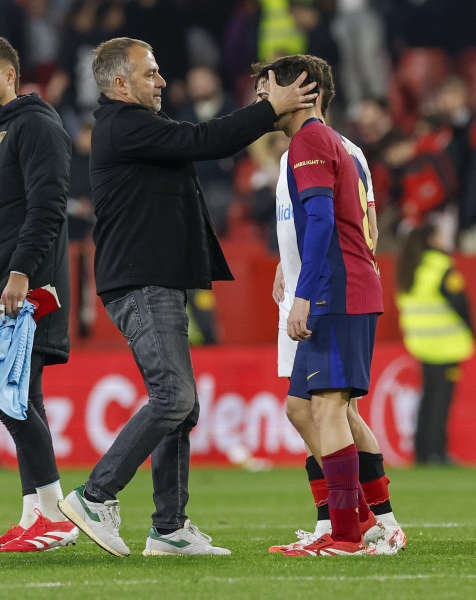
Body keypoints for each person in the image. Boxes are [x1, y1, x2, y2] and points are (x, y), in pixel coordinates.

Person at [57, 36, 317, 557]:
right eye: (150, 72)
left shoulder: (132, 127)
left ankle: (169, 528)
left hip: (154, 278)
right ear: (119, 84)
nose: (161, 80)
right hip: (142, 279)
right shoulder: (125, 124)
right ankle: (94, 496)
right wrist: (270, 109)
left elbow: (196, 142)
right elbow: (205, 140)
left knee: (183, 406)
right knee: (173, 397)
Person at [265, 56, 406, 555]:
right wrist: (291, 262)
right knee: (303, 407)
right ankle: (361, 520)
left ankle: (347, 532)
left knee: (329, 408)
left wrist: (304, 293)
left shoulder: (311, 140)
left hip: (336, 288)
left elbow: (324, 221)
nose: (262, 98)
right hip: (332, 282)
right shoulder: (321, 144)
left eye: (269, 87)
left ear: (302, 91)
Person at [0, 36, 77, 553]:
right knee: (20, 399)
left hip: (25, 290)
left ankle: (55, 516)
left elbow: (49, 205)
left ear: (10, 75)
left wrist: (22, 272)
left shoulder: (35, 125)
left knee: (15, 401)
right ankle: (33, 516)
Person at [396, 223, 474, 465]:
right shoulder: (439, 266)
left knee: (428, 399)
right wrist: (470, 331)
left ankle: (422, 452)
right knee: (440, 401)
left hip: (421, 343)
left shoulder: (409, 268)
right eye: (440, 234)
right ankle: (437, 453)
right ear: (431, 239)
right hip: (446, 344)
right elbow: (460, 303)